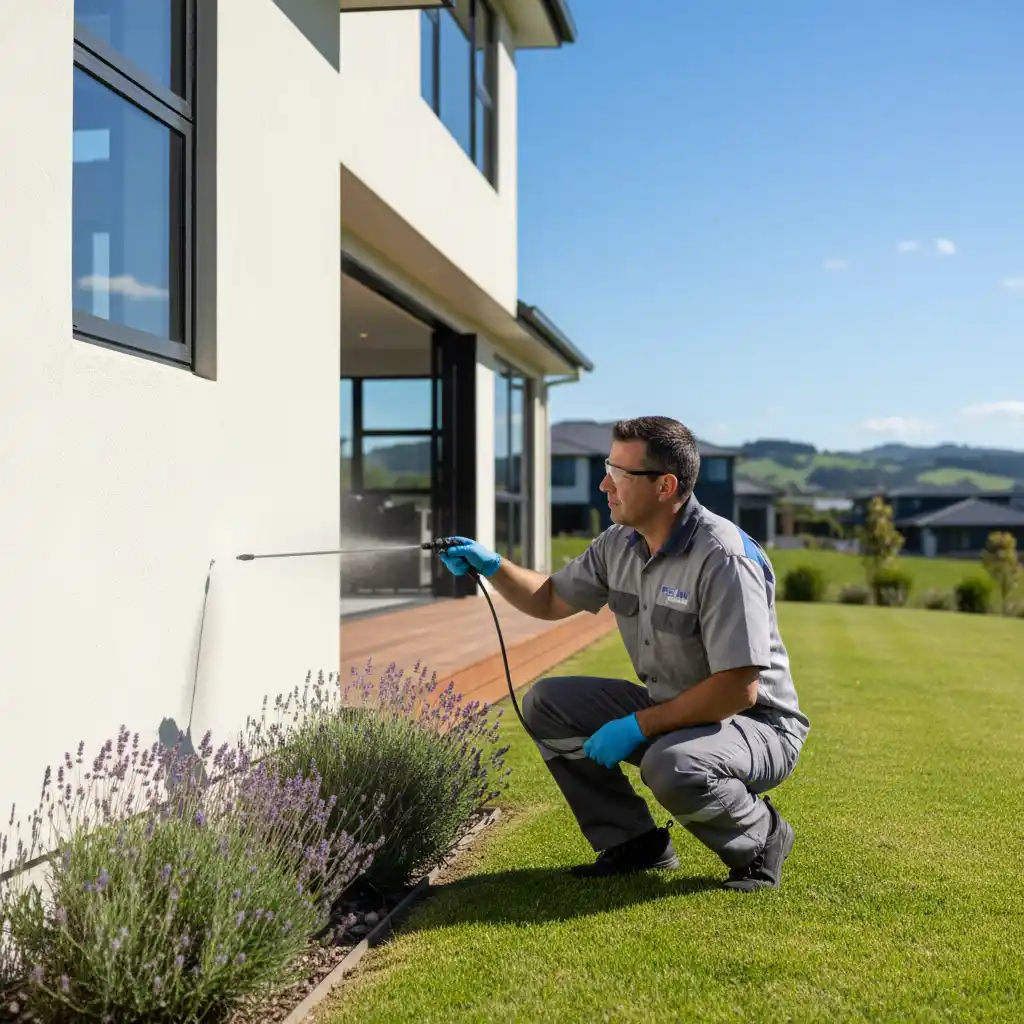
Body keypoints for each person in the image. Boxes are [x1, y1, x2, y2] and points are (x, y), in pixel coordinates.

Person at [438, 416, 810, 892]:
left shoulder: (723, 557)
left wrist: (637, 727)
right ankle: (635, 844)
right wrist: (493, 566)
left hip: (756, 725)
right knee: (547, 703)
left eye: (619, 472)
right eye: (607, 467)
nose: (603, 483)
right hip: (676, 711)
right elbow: (551, 598)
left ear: (665, 486)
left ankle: (760, 839)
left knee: (671, 765)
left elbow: (738, 688)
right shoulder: (619, 544)